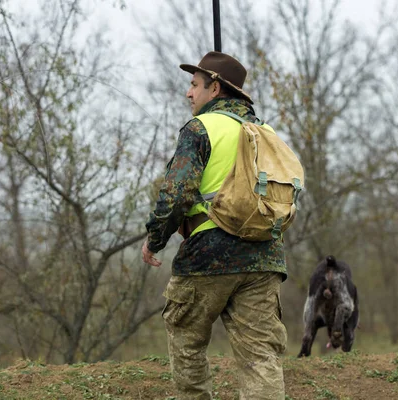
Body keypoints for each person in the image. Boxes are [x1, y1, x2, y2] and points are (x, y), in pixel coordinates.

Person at [142, 51, 287, 400]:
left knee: (187, 344)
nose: (189, 93)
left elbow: (177, 194)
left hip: (207, 256)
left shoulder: (200, 128)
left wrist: (155, 239)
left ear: (216, 88)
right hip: (264, 258)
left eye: (194, 85)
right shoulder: (265, 132)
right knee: (260, 358)